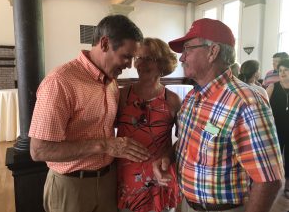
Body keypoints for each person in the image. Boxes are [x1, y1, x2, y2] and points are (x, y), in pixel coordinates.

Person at [153, 18, 284, 212]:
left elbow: (270, 180)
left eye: (188, 49)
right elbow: (188, 141)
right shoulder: (192, 97)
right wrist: (168, 156)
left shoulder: (245, 102)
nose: (182, 58)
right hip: (187, 203)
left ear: (212, 52)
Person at [29, 15, 151, 212]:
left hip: (108, 181)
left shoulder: (111, 83)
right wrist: (104, 145)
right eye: (126, 56)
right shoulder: (60, 81)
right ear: (104, 43)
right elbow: (39, 150)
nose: (130, 65)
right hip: (71, 186)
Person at [116, 37, 182, 212]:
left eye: (148, 59)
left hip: (159, 178)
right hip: (127, 178)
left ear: (162, 64)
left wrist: (167, 156)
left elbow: (184, 140)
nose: (140, 64)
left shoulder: (172, 100)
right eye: (138, 58)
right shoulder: (122, 96)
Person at [266, 59, 289, 199]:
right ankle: (271, 186)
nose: (283, 73)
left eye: (286, 70)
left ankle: (287, 186)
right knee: (274, 157)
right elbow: (263, 108)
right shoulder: (272, 87)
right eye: (280, 71)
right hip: (276, 128)